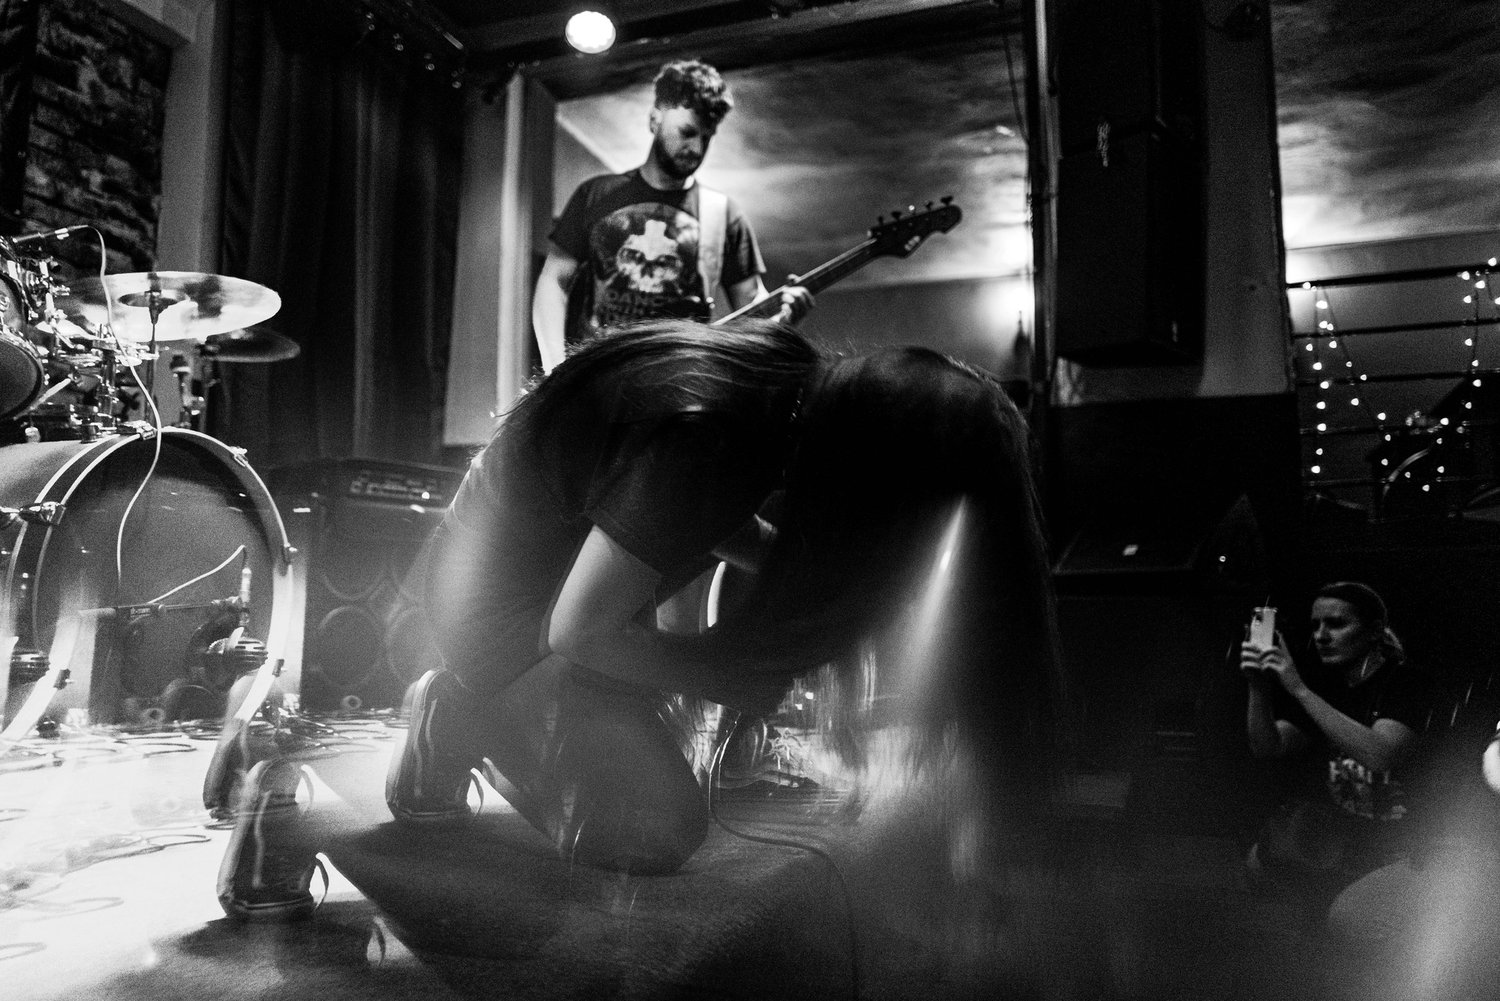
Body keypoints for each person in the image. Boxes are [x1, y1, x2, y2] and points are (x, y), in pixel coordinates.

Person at [373, 319, 1064, 878]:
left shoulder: (780, 387)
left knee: (639, 740)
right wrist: (720, 675)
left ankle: (522, 708)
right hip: (494, 615)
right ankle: (460, 708)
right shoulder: (715, 438)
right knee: (650, 831)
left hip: (553, 588)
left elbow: (678, 514)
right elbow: (579, 630)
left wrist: (781, 565)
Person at [531, 59, 812, 372]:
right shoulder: (595, 195)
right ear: (654, 120)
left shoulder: (723, 214)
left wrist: (783, 321)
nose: (696, 148)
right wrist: (555, 370)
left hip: (684, 382)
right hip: (603, 379)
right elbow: (554, 280)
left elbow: (752, 307)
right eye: (687, 132)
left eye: (706, 137)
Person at [1241, 581, 1433, 893]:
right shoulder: (1327, 686)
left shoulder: (1406, 682)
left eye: (1336, 624)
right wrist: (1258, 687)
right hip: (1331, 838)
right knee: (1259, 866)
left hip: (1393, 843)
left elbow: (1380, 755)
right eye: (1316, 625)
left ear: (1374, 631)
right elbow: (1269, 746)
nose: (1321, 635)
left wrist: (1299, 690)